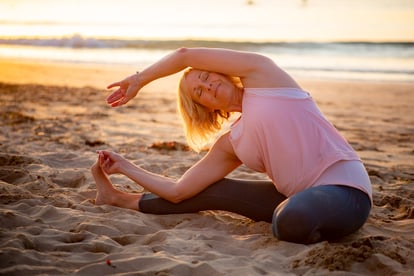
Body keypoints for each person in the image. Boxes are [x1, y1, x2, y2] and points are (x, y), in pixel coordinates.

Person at [91, 47, 372, 244]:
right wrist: (124, 167)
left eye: (206, 76)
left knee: (291, 219)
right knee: (212, 190)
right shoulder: (231, 142)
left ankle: (304, 220)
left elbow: (184, 54)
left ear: (222, 72)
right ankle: (117, 198)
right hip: (293, 198)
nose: (208, 85)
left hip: (344, 191)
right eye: (199, 92)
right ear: (205, 107)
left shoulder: (265, 77)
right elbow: (179, 191)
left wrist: (140, 79)